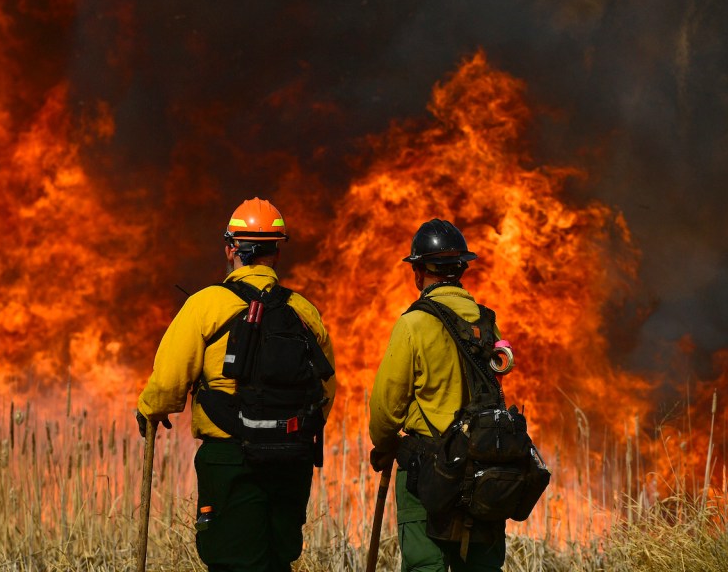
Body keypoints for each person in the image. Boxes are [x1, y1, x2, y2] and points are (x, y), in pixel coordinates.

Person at [136, 197, 336, 572]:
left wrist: (150, 409)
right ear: (276, 253)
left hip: (230, 459)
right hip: (291, 459)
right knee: (277, 560)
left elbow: (167, 383)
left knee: (231, 559)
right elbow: (325, 391)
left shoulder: (206, 305)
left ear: (232, 248)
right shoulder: (304, 312)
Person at [368, 219, 506, 571]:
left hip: (426, 471)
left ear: (418, 270)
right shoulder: (486, 323)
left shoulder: (413, 324)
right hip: (484, 470)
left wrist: (384, 445)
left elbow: (386, 406)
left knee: (424, 565)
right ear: (461, 268)